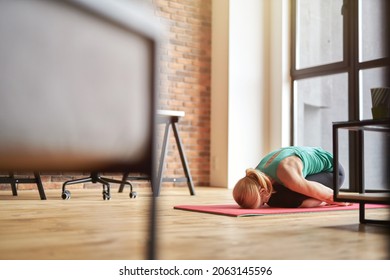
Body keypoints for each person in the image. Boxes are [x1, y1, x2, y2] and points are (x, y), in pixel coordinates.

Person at [232, 146, 351, 208]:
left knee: (287, 199)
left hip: (333, 172)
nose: (265, 204)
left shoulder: (287, 175)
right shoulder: (257, 174)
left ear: (263, 191)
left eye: (262, 203)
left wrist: (340, 200)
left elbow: (328, 195)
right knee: (275, 199)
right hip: (298, 169)